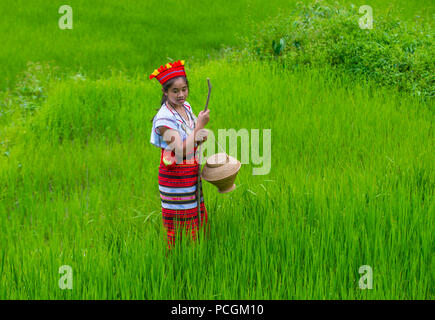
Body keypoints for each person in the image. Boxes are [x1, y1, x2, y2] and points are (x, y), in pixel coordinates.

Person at [149, 59, 211, 251]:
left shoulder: (187, 108)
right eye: (175, 91)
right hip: (174, 177)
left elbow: (190, 139)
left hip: (191, 173)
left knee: (195, 218)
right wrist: (199, 126)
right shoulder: (163, 119)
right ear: (165, 92)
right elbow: (181, 149)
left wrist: (200, 137)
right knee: (179, 224)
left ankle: (198, 254)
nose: (181, 94)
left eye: (184, 89)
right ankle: (177, 261)